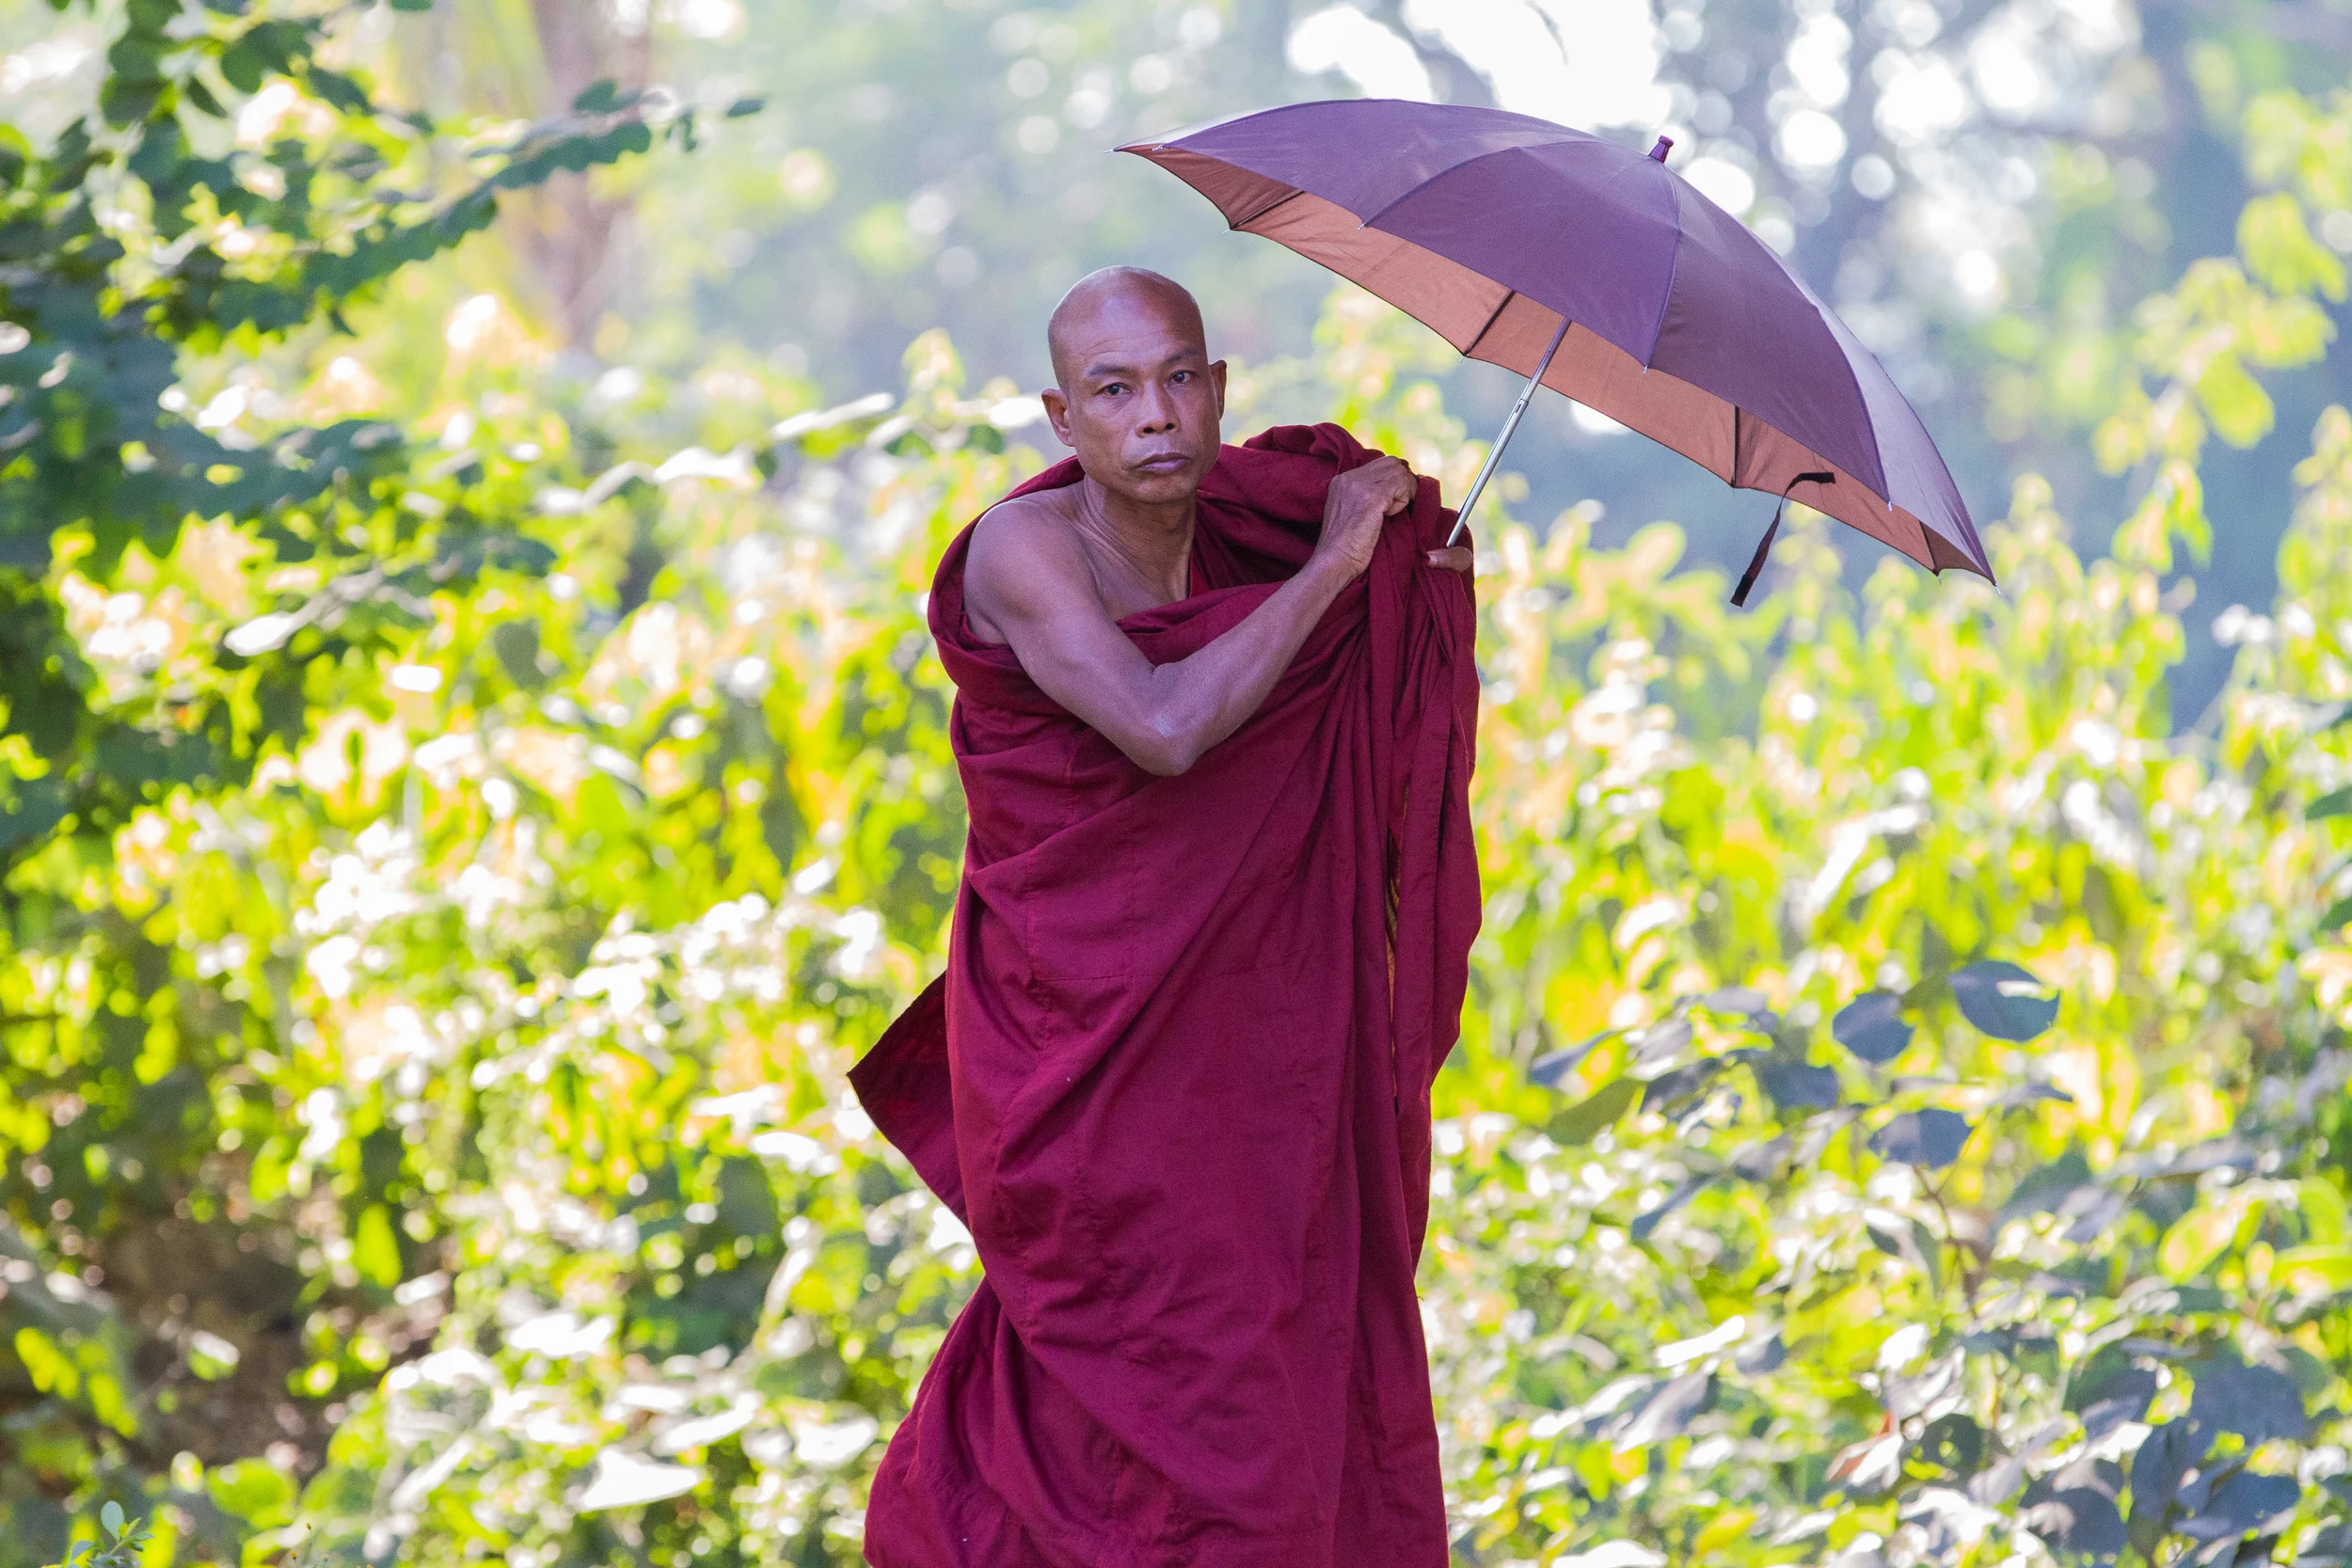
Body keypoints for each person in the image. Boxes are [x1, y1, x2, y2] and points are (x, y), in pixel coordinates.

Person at [852, 267, 1482, 1568]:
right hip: (1083, 1060)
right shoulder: (1025, 552)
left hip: (1241, 1065)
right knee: (1116, 1376)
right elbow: (1165, 727)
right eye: (1115, 389)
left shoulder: (1242, 541)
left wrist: (1403, 579)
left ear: (1221, 394)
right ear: (1060, 418)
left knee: (1270, 1389)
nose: (1156, 415)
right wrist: (1335, 567)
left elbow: (1331, 724)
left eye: (1181, 378)